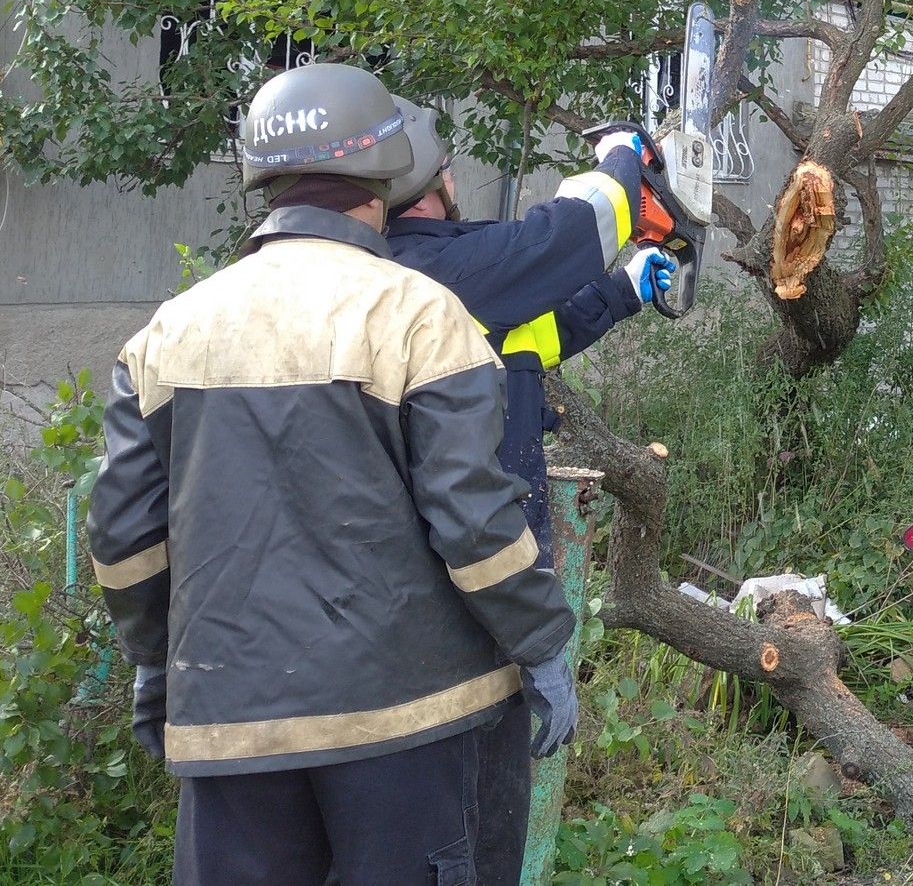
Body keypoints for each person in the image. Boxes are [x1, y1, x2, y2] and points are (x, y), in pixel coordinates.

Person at [87, 64, 581, 886]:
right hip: (408, 721)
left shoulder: (169, 334)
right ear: (386, 176)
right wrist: (543, 644)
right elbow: (475, 521)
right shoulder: (420, 316)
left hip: (233, 726)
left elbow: (123, 539)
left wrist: (153, 656)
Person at [382, 98, 675, 883]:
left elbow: (530, 337)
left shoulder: (440, 285)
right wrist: (623, 157)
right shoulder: (434, 269)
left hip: (456, 608)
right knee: (471, 842)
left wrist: (622, 291)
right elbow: (572, 230)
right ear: (431, 180)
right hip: (466, 614)